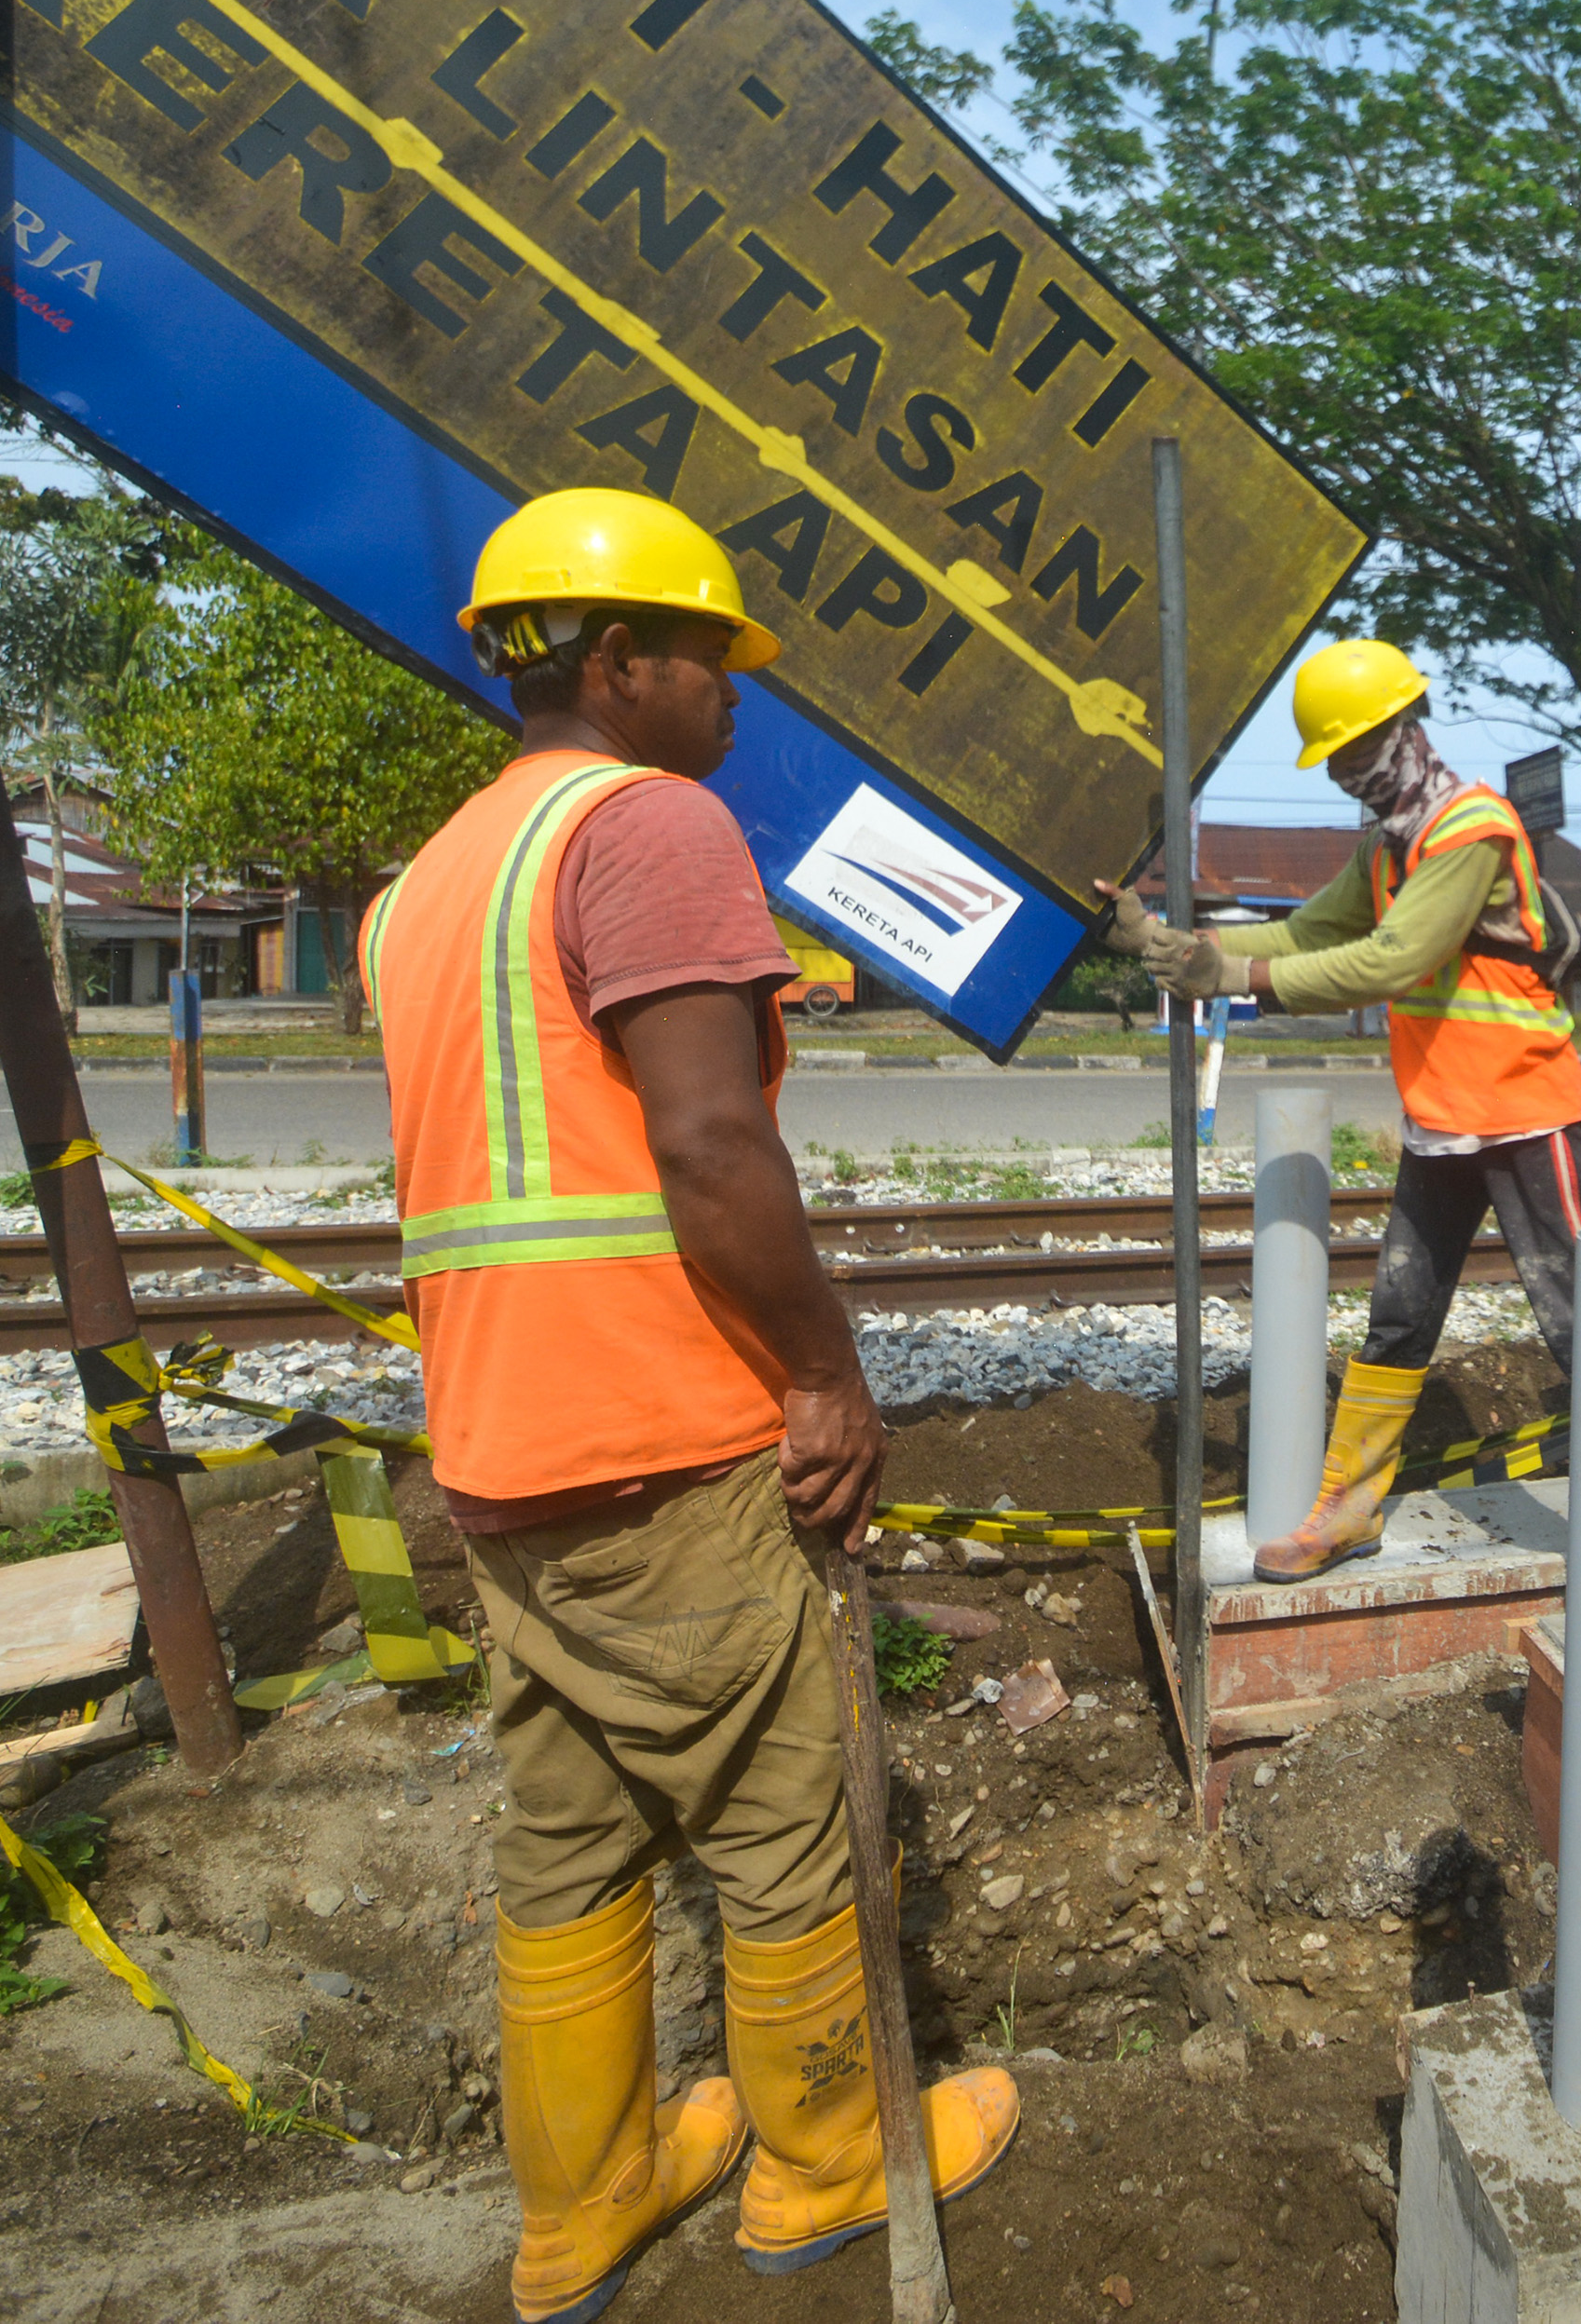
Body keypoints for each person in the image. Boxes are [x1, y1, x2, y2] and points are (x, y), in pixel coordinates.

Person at [365, 488, 1015, 2324]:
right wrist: (823, 1368)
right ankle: (816, 2159)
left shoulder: (433, 877)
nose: (735, 693)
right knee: (778, 1803)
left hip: (504, 1447)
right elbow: (708, 1137)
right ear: (613, 657)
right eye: (709, 656)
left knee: (567, 1823)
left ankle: (580, 2205)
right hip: (663, 1433)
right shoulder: (652, 822)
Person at [1112, 638, 1581, 1583]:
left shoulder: (1470, 827)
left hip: (1526, 1106)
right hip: (1442, 1113)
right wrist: (1178, 941)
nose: (1344, 774)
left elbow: (1390, 960)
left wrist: (1237, 977)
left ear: (1401, 731)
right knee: (1398, 1314)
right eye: (1331, 759)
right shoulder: (1387, 845)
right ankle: (1350, 1506)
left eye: (1351, 751)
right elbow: (1306, 930)